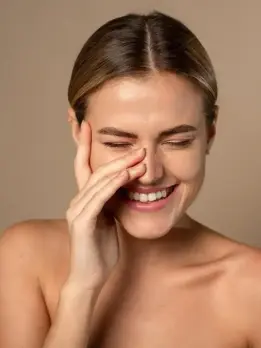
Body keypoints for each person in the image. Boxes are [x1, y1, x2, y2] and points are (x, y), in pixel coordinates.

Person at [1, 10, 261, 348]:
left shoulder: (252, 286)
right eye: (119, 143)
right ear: (79, 132)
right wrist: (82, 289)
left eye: (176, 141)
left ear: (210, 133)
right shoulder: (23, 257)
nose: (149, 173)